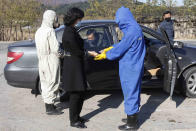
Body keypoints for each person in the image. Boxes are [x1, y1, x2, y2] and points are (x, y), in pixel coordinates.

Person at [95, 7, 146, 130]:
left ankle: (131, 124)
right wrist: (110, 48)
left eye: (119, 20)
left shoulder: (132, 31)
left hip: (130, 67)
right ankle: (132, 116)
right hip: (134, 65)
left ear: (123, 18)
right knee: (133, 91)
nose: (118, 23)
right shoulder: (134, 29)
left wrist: (106, 54)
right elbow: (124, 44)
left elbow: (121, 49)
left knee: (130, 93)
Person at [62, 7, 97, 129]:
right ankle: (73, 120)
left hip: (76, 64)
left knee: (81, 92)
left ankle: (77, 116)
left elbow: (78, 45)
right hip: (73, 66)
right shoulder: (68, 32)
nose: (80, 20)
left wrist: (86, 42)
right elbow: (76, 50)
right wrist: (89, 53)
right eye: (79, 18)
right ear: (75, 17)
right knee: (76, 93)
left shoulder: (72, 29)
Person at [35, 10, 63, 115]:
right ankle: (50, 109)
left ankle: (49, 106)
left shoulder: (39, 31)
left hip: (41, 60)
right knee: (53, 82)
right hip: (51, 59)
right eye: (55, 18)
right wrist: (63, 54)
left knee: (45, 83)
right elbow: (56, 48)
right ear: (52, 18)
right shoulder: (50, 31)